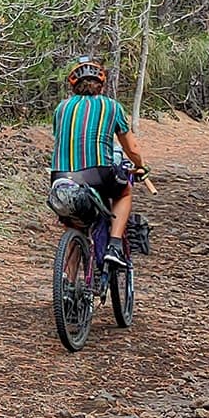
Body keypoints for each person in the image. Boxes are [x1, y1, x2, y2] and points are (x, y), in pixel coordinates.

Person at [51, 58, 148, 267]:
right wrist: (140, 165)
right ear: (101, 85)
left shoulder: (61, 108)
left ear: (74, 86)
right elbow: (132, 149)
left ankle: (68, 283)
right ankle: (114, 246)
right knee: (124, 192)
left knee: (75, 225)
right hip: (98, 173)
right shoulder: (111, 106)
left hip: (60, 177)